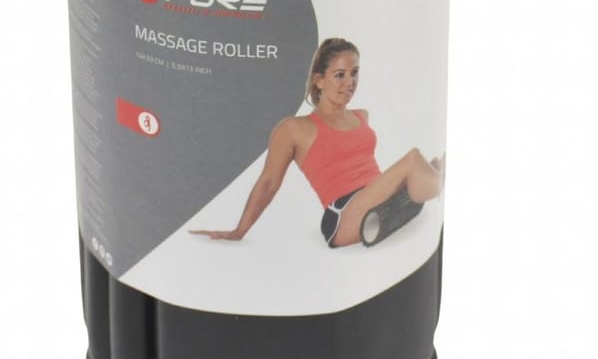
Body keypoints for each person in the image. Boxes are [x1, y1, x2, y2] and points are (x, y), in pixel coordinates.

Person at [190, 37, 445, 248]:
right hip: (343, 213)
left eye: (354, 73)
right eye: (339, 75)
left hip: (376, 195)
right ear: (319, 80)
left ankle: (392, 210)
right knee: (414, 161)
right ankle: (419, 197)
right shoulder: (293, 129)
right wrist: (239, 231)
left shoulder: (361, 116)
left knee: (440, 163)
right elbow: (268, 182)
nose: (350, 82)